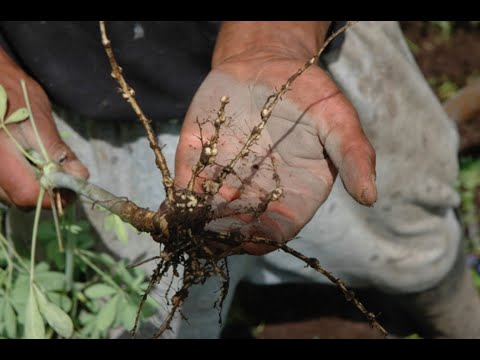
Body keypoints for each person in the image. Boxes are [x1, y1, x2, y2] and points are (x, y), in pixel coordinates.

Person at [0, 21, 479, 338]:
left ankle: (455, 308)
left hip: (303, 66)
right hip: (70, 102)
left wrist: (272, 40)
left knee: (412, 239)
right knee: (160, 316)